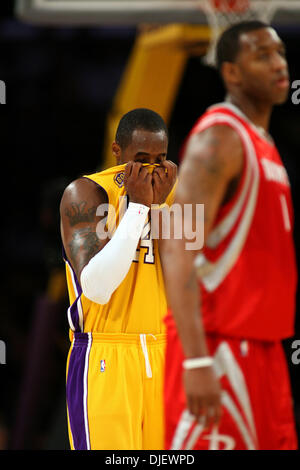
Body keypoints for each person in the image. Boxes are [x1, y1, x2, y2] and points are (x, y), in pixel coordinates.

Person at [161, 21, 298, 450]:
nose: (279, 65)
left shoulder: (264, 143)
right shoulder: (218, 138)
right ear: (232, 73)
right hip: (219, 347)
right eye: (262, 55)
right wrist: (198, 358)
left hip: (264, 348)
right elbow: (175, 244)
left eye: (280, 53)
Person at [59, 108, 177, 450]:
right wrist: (139, 208)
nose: (151, 169)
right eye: (141, 159)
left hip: (163, 352)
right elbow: (96, 287)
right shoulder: (84, 193)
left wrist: (160, 210)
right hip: (106, 355)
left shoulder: (171, 193)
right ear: (117, 151)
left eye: (160, 158)